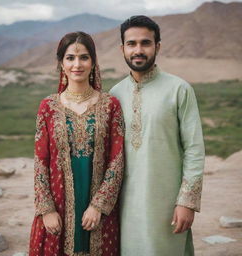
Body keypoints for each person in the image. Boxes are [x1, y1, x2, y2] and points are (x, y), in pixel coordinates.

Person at [110, 15, 205, 255]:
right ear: (122, 49)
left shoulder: (179, 90)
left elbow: (194, 149)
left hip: (167, 205)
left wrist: (187, 202)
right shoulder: (114, 95)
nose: (138, 50)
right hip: (125, 207)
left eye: (146, 43)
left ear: (158, 46)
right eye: (131, 44)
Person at [29, 31, 124, 256]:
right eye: (70, 58)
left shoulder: (110, 105)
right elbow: (40, 161)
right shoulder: (48, 107)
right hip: (57, 209)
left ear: (93, 62)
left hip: (99, 211)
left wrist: (99, 205)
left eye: (84, 57)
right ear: (61, 63)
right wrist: (46, 209)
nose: (77, 64)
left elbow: (117, 160)